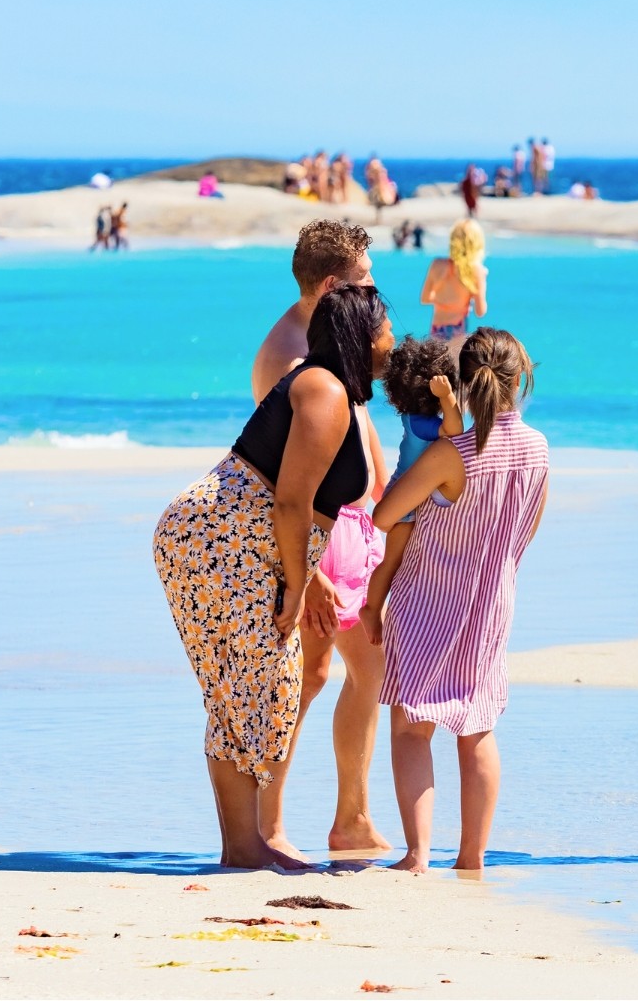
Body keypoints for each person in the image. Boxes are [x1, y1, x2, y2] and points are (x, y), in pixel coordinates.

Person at [155, 283, 395, 870]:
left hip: (239, 546)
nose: (392, 339)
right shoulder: (322, 388)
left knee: (260, 688)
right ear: (361, 335)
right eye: (385, 328)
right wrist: (296, 585)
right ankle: (243, 848)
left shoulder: (339, 392)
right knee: (258, 687)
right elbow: (290, 502)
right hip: (216, 543)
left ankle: (246, 846)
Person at [373, 328, 549, 873]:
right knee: (477, 730)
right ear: (518, 381)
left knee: (411, 727)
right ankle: (471, 857)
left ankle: (418, 855)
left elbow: (384, 516)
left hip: (427, 600)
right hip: (492, 603)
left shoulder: (454, 455)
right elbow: (528, 529)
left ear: (462, 388)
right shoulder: (539, 448)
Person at [248, 219, 393, 855]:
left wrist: (386, 495)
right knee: (305, 676)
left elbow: (358, 422)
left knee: (368, 668)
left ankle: (352, 817)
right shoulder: (288, 355)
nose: (375, 290)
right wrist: (310, 574)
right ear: (333, 284)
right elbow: (287, 481)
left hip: (354, 522)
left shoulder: (333, 334)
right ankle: (267, 824)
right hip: (316, 535)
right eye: (365, 280)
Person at [362, 337, 461, 644]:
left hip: (403, 488)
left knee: (398, 558)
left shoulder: (414, 417)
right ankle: (372, 608)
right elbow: (455, 429)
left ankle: (378, 606)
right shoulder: (422, 423)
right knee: (392, 559)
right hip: (404, 499)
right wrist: (447, 398)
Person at [420, 218, 488, 346]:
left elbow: (425, 298)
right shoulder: (476, 271)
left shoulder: (437, 264)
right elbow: (480, 311)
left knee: (435, 364)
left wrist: (444, 301)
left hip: (436, 329)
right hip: (458, 330)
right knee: (454, 365)